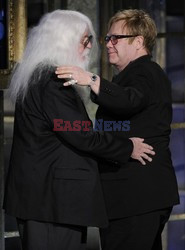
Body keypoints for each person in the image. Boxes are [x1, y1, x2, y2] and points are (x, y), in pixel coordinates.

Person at [3, 10, 155, 250]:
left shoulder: (37, 76)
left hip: (47, 202)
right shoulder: (52, 83)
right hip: (53, 204)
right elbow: (81, 134)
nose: (89, 48)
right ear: (63, 40)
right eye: (86, 40)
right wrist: (128, 148)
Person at [55, 9, 179, 250]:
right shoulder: (134, 74)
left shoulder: (145, 71)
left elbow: (130, 100)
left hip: (136, 197)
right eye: (107, 38)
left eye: (116, 38)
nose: (109, 44)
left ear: (139, 42)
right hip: (138, 197)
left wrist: (90, 79)